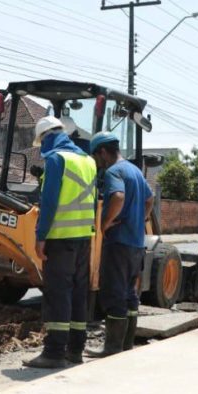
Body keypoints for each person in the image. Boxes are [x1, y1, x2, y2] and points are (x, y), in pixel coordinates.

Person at [23, 116, 97, 369]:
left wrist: (41, 236)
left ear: (45, 138)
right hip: (84, 238)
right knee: (77, 293)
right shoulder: (88, 161)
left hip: (60, 238)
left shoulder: (56, 160)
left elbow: (49, 202)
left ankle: (54, 353)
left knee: (58, 293)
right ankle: (75, 350)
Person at [86, 131, 154, 358]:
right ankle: (126, 345)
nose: (97, 162)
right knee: (130, 295)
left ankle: (112, 347)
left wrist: (105, 223)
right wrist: (141, 219)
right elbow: (150, 198)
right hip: (136, 244)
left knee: (114, 294)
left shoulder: (114, 171)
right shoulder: (135, 170)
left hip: (118, 243)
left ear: (103, 152)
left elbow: (117, 197)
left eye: (96, 156)